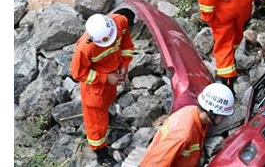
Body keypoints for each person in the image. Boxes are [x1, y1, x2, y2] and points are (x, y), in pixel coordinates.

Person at [70, 13, 134, 166]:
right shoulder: (85, 48)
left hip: (111, 80)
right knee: (95, 122)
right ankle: (100, 152)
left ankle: (108, 117)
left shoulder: (120, 22)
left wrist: (124, 65)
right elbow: (78, 73)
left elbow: (126, 45)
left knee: (109, 101)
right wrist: (105, 78)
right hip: (95, 88)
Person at [140, 83, 235, 167]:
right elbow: (153, 163)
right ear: (211, 113)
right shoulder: (183, 134)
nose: (223, 119)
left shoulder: (194, 113)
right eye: (222, 116)